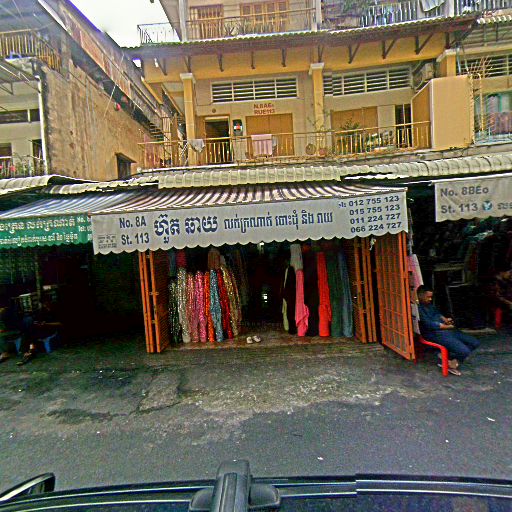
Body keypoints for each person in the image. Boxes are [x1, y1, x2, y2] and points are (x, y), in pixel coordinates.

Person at [417, 285, 480, 376]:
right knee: (465, 351)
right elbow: (428, 324)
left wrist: (445, 319)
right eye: (428, 297)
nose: (430, 299)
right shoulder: (419, 308)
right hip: (434, 333)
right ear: (420, 296)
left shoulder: (429, 305)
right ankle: (448, 362)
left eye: (431, 297)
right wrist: (446, 326)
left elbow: (437, 313)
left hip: (445, 330)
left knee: (475, 342)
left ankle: (450, 360)